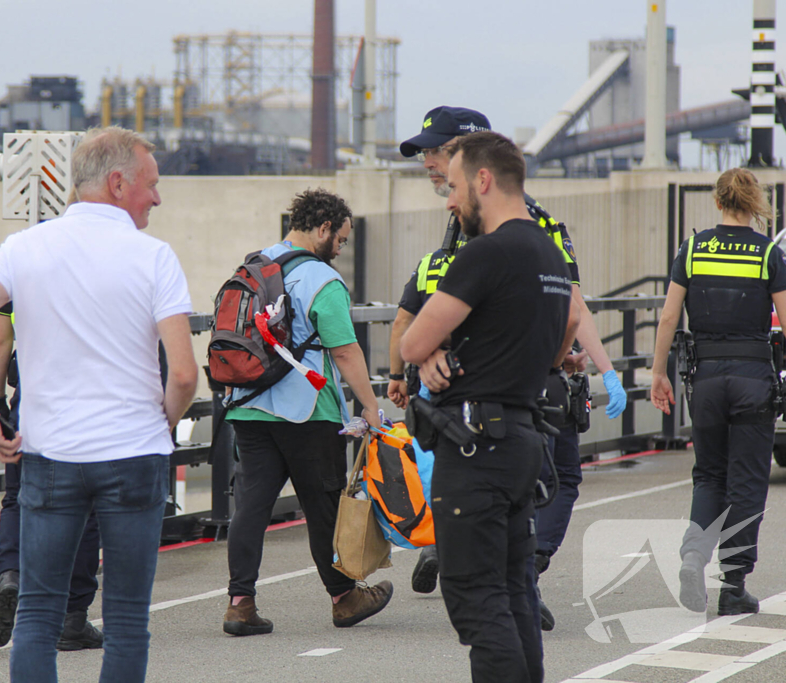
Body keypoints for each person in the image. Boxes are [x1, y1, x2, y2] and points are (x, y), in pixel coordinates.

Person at [0, 126, 198, 683]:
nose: (157, 197)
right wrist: (164, 422)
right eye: (151, 185)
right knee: (128, 619)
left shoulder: (26, 247)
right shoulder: (154, 257)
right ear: (117, 183)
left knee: (37, 612)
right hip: (133, 454)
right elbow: (182, 373)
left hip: (50, 455)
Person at [391, 106, 627, 631]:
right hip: (485, 398)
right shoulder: (465, 222)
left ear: (471, 164)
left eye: (436, 153)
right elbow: (448, 298)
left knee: (545, 491)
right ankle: (512, 572)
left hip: (506, 398)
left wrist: (596, 368)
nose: (429, 165)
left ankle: (517, 573)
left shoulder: (510, 225)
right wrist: (430, 351)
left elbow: (570, 307)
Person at [401, 131, 578, 683]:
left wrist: (432, 350)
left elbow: (410, 343)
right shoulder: (549, 252)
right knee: (514, 589)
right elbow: (571, 323)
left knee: (475, 596)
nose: (450, 201)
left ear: (483, 180)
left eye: (453, 187)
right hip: (524, 438)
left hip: (476, 449)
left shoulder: (487, 252)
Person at [222, 188, 393, 636]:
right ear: (322, 229)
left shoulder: (255, 265)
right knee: (323, 507)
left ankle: (240, 604)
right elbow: (346, 352)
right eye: (340, 239)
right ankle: (345, 598)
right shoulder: (322, 279)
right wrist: (371, 408)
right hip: (307, 411)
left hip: (249, 406)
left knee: (250, 507)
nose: (340, 248)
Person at [651, 167, 786, 616]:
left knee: (709, 474)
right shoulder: (768, 254)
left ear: (718, 201)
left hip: (705, 379)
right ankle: (733, 586)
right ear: (753, 203)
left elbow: (668, 317)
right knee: (746, 482)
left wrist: (657, 372)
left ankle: (692, 554)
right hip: (752, 380)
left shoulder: (694, 248)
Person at [0, 302, 103, 651]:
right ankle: (72, 617)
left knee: (18, 496)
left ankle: (11, 574)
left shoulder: (17, 264)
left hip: (31, 402)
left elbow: (0, 341)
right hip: (88, 401)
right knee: (86, 505)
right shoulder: (99, 259)